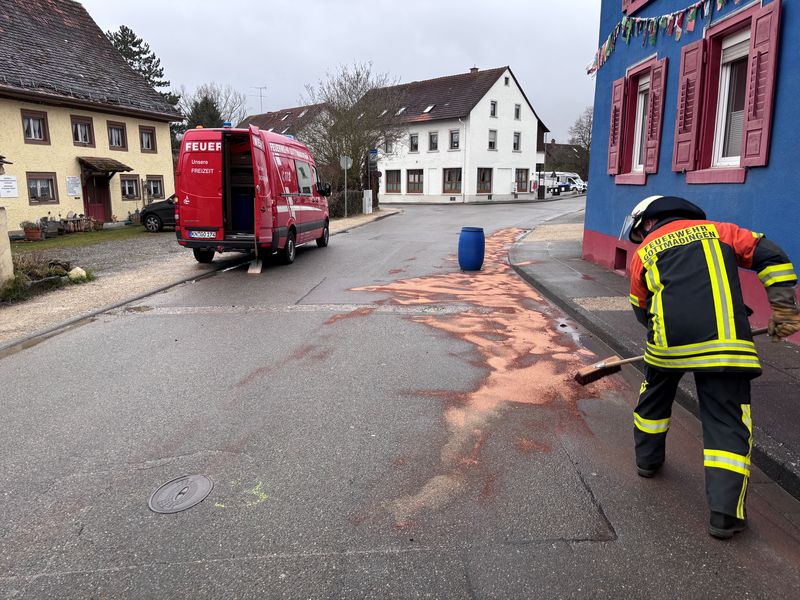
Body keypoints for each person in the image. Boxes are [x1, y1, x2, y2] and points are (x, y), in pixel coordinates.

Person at [622, 195, 800, 539]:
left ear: (649, 221)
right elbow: (773, 258)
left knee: (653, 401)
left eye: (641, 229)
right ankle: (724, 515)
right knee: (726, 420)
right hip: (725, 344)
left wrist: (660, 333)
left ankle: (647, 462)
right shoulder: (723, 232)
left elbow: (640, 307)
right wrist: (784, 311)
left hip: (667, 344)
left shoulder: (644, 251)